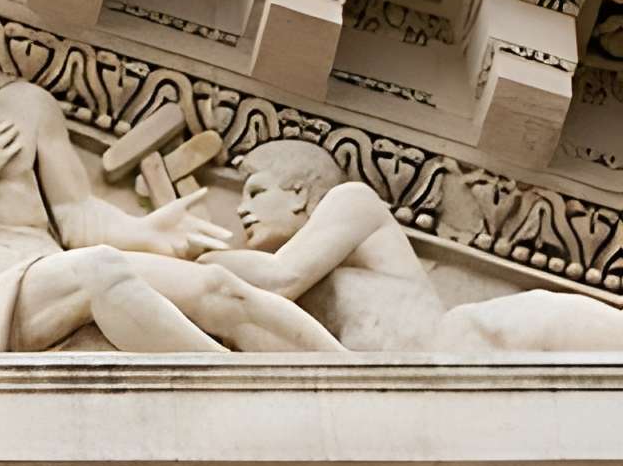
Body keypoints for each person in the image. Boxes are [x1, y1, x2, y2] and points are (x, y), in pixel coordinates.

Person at [0, 0, 339, 354]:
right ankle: (242, 396)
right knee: (101, 271)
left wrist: (143, 231)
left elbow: (76, 214)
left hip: (52, 275)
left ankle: (351, 383)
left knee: (215, 285)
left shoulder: (25, 105)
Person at [209, 139, 623, 353]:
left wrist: (189, 255)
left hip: (491, 338)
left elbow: (282, 278)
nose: (242, 210)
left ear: (299, 192)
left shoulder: (351, 200)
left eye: (256, 192)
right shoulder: (287, 312)